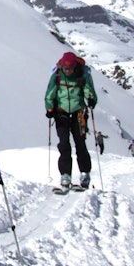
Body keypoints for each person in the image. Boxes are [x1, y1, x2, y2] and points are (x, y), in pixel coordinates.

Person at [44, 52, 97, 189]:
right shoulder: (57, 76)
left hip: (78, 115)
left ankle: (85, 173)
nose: (68, 71)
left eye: (70, 69)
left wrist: (91, 99)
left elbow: (89, 90)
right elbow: (50, 94)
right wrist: (50, 109)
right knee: (64, 145)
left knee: (80, 144)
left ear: (74, 67)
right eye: (66, 69)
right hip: (61, 115)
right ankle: (65, 174)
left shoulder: (81, 76)